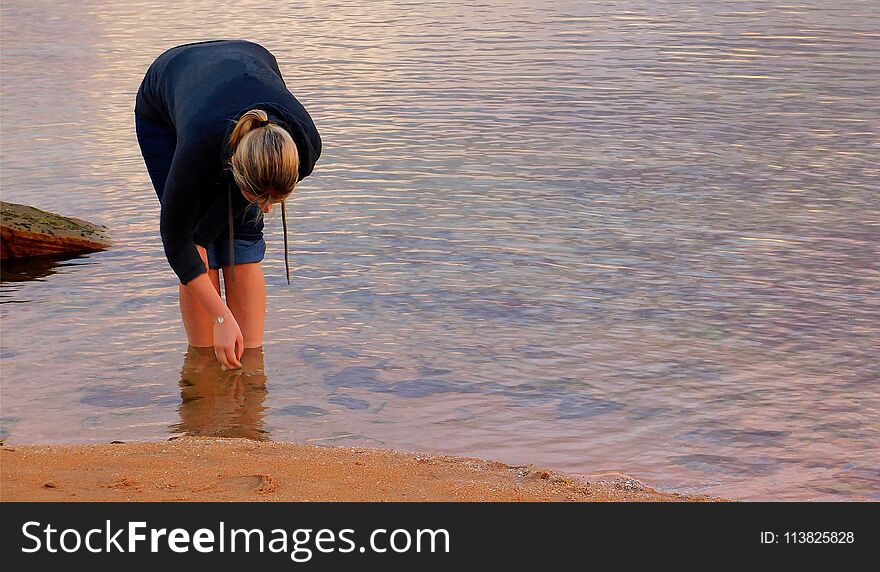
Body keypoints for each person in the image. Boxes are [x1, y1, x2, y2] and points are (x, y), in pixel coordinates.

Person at [134, 40, 322, 369]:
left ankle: (249, 368)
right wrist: (221, 317)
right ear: (235, 163)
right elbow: (177, 240)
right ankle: (203, 367)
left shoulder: (304, 148)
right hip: (165, 100)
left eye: (274, 200)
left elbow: (227, 214)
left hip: (245, 65)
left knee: (243, 234)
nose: (267, 208)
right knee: (191, 232)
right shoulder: (198, 143)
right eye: (258, 197)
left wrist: (208, 231)